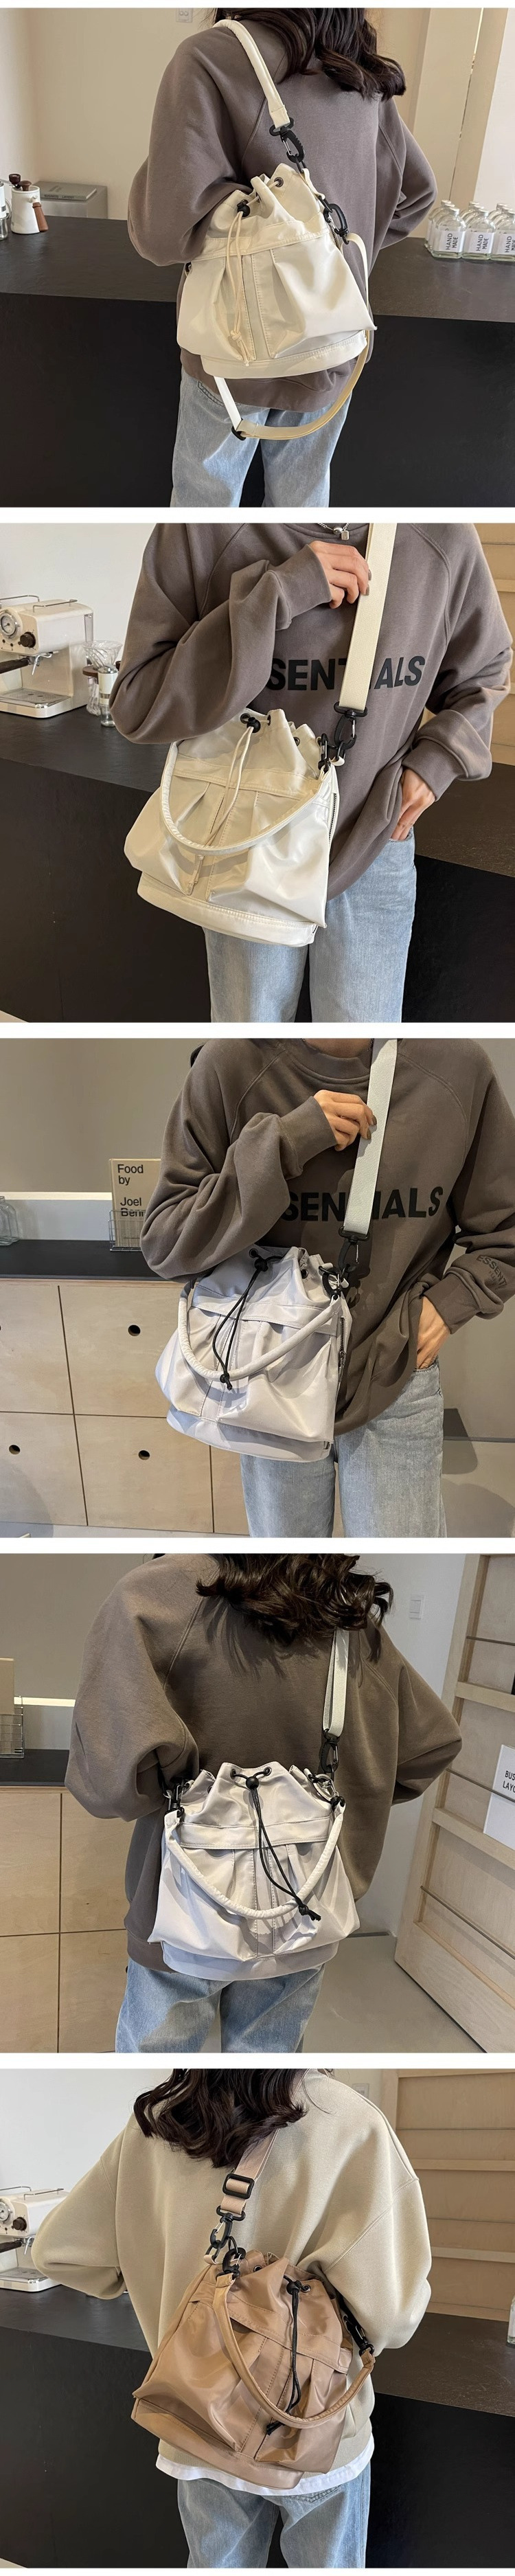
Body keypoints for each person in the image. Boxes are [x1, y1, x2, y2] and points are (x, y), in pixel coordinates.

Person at [111, 520, 512, 1024]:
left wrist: (438, 760)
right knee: (250, 1042)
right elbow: (138, 702)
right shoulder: (207, 527)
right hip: (248, 842)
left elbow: (484, 670)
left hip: (376, 837)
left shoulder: (440, 533)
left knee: (361, 1053)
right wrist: (278, 594)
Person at [32, 2067, 432, 2568]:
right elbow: (394, 2316)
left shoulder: (162, 2121)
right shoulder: (350, 2122)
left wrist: (157, 2277)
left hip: (199, 2419)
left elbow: (58, 2253)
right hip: (313, 2436)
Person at [66, 1552, 461, 2053]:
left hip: (181, 1909)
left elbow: (106, 1785)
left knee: (156, 2072)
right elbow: (429, 1749)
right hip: (306, 1909)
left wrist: (181, 1790)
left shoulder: (153, 1596)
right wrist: (347, 1800)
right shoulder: (342, 1611)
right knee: (266, 2074)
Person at [141, 1035, 515, 1539]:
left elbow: (506, 1227)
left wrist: (448, 1307)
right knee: (285, 1569)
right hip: (270, 1372)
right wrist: (284, 1143)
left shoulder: (454, 1067)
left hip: (395, 1371)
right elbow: (167, 1243)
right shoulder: (231, 1064)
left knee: (396, 1563)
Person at [127, 8, 437, 508]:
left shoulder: (212, 57)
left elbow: (162, 233)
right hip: (336, 332)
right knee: (304, 506)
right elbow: (418, 194)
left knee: (204, 506)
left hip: (236, 341)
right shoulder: (359, 68)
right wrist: (335, 255)